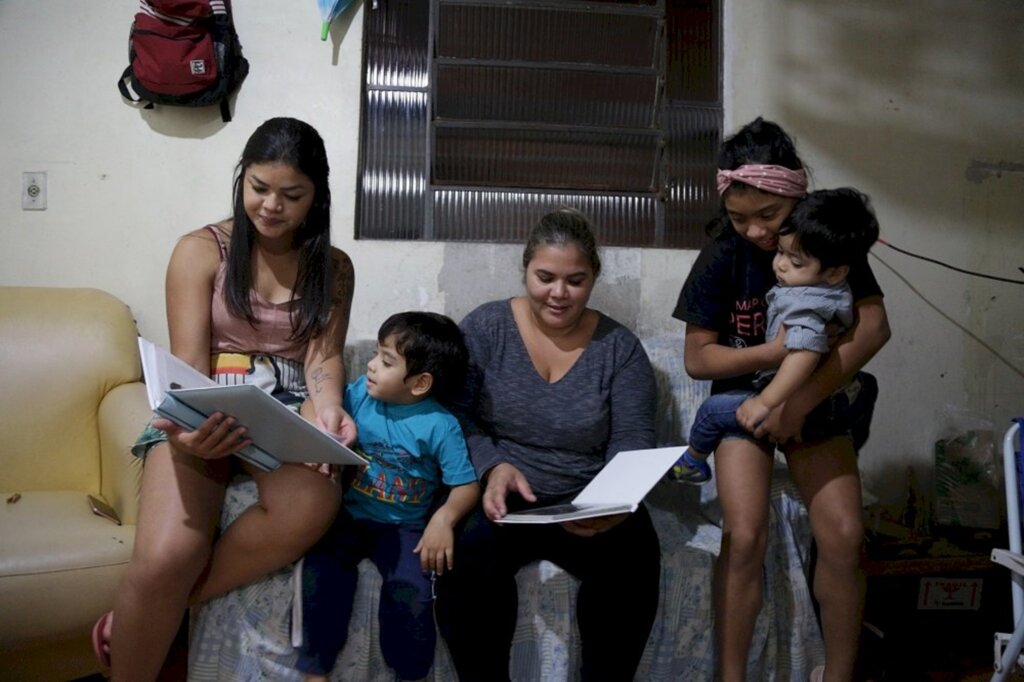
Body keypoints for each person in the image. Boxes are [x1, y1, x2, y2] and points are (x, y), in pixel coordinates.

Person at [94, 117, 356, 682]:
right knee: (168, 554)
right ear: (242, 179)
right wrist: (190, 429)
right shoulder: (200, 250)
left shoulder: (333, 267)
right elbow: (188, 368)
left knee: (311, 503)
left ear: (317, 198)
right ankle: (146, 624)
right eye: (259, 187)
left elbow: (323, 359)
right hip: (206, 409)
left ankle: (150, 613)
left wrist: (327, 410)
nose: (270, 206)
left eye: (291, 195)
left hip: (284, 410)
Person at [672, 117, 890, 682]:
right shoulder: (723, 253)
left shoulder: (825, 238)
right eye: (740, 217)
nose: (755, 232)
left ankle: (837, 675)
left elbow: (871, 330)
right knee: (745, 534)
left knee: (844, 535)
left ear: (794, 194)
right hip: (743, 401)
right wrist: (772, 359)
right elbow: (700, 359)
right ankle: (731, 677)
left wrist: (795, 402)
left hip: (813, 398)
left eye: (768, 216)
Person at [435, 207, 661, 682]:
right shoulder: (487, 328)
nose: (559, 294)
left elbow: (634, 440)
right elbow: (453, 412)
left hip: (586, 500)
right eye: (545, 277)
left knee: (636, 553)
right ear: (525, 269)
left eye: (575, 280)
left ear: (594, 278)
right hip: (503, 495)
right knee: (469, 550)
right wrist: (492, 467)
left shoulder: (619, 349)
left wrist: (612, 502)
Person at [295, 311, 480, 682]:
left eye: (386, 360)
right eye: (377, 354)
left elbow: (466, 485)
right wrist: (321, 425)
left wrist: (443, 520)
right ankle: (315, 671)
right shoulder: (361, 394)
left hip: (405, 527)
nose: (371, 366)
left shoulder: (441, 425)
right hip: (349, 515)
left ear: (420, 382)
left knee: (412, 593)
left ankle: (409, 675)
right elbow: (317, 408)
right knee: (320, 573)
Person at [670, 187, 880, 486]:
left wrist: (766, 402)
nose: (780, 264)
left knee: (711, 412)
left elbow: (802, 353)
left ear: (835, 272)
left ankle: (691, 462)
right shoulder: (830, 287)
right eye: (781, 252)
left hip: (794, 396)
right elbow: (697, 360)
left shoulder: (805, 302)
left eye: (795, 262)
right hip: (821, 396)